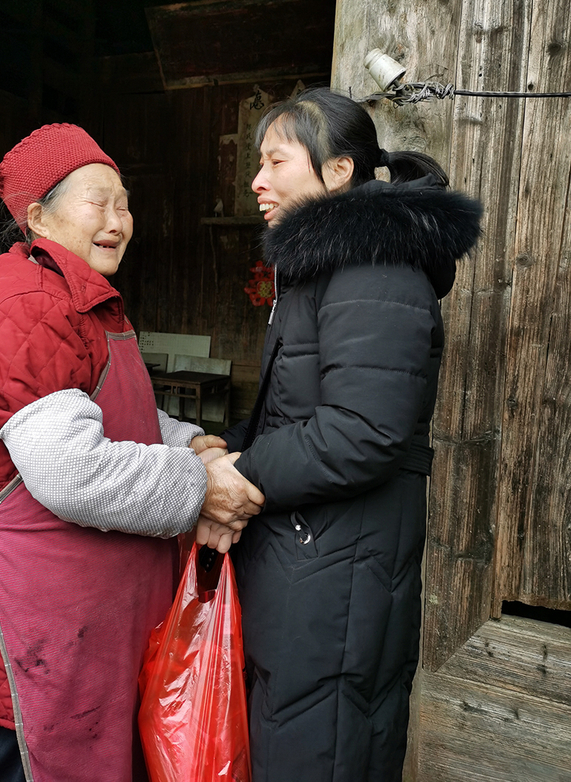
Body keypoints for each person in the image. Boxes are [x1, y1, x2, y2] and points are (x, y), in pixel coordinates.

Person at [0, 122, 264, 782]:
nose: (120, 220)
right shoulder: (26, 304)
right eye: (98, 200)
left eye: (124, 202)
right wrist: (202, 484)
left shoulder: (80, 298)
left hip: (86, 619)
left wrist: (189, 442)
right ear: (38, 215)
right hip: (42, 616)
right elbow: (72, 470)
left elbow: (113, 418)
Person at [212, 88, 482, 782]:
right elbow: (296, 411)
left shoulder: (375, 266)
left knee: (323, 748)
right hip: (312, 555)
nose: (257, 181)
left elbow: (361, 432)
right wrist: (224, 444)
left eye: (275, 161)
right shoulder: (324, 266)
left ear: (337, 172)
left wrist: (242, 469)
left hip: (339, 563)